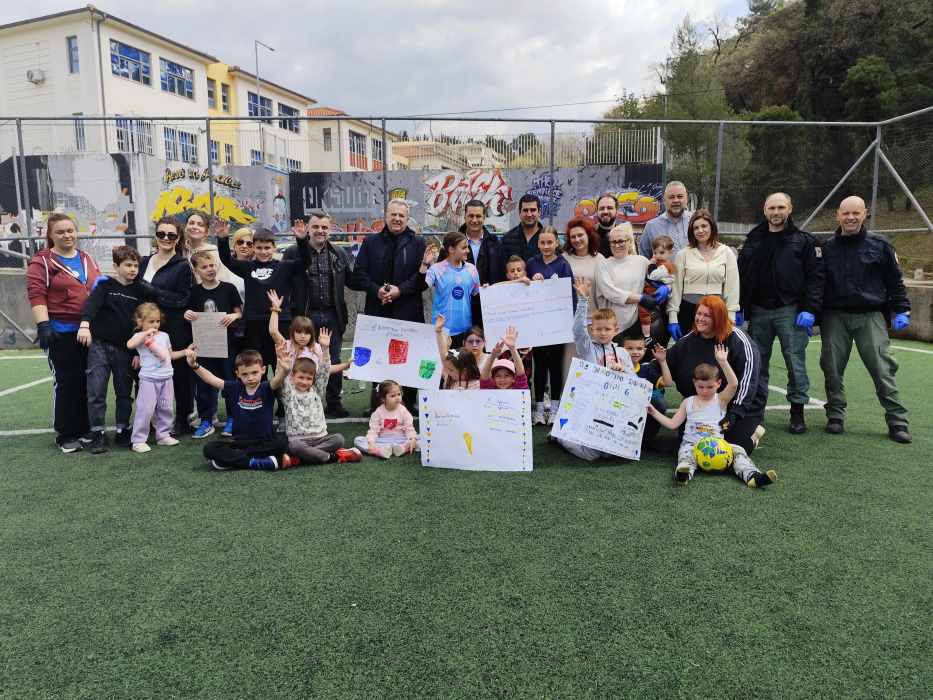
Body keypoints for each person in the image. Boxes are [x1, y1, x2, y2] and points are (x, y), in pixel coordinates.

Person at [819, 195, 912, 443]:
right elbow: (818, 284)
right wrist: (814, 314)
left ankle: (897, 421)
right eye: (845, 213)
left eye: (855, 213)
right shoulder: (826, 248)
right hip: (835, 316)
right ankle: (835, 415)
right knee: (831, 368)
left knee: (882, 368)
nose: (850, 218)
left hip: (870, 315)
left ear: (865, 214)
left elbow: (895, 281)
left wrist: (902, 309)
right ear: (837, 215)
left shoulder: (880, 245)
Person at [79, 245, 181, 452]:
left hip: (125, 350)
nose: (133, 269)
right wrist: (84, 325)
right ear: (116, 266)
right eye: (128, 265)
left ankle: (122, 430)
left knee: (124, 392)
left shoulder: (140, 290)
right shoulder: (105, 286)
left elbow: (143, 323)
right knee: (96, 391)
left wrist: (137, 353)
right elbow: (91, 306)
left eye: (135, 265)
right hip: (100, 346)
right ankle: (97, 433)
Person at [738, 192, 824, 434]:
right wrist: (740, 306)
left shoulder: (804, 241)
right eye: (772, 208)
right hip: (758, 311)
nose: (776, 212)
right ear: (765, 211)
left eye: (781, 207)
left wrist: (810, 309)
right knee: (757, 363)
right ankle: (756, 411)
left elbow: (816, 279)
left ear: (790, 209)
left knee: (795, 362)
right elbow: (742, 275)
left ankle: (797, 412)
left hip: (791, 310)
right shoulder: (754, 239)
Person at [647, 345, 777, 488]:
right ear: (694, 383)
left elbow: (734, 384)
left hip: (719, 448)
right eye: (700, 387)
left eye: (710, 387)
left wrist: (723, 362)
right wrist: (654, 412)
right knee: (685, 454)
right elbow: (672, 424)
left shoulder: (720, 400)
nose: (705, 391)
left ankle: (753, 476)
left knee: (738, 451)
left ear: (718, 383)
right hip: (693, 446)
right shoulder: (688, 402)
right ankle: (684, 474)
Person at [27, 213, 102, 453]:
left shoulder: (86, 258)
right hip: (61, 332)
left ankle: (84, 427)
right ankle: (66, 434)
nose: (67, 235)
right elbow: (36, 295)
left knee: (87, 382)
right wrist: (43, 325)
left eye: (70, 230)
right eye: (60, 232)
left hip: (89, 331)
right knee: (67, 382)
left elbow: (98, 288)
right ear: (50, 235)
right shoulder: (42, 261)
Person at [352, 198, 433, 411]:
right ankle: (377, 403)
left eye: (401, 215)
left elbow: (422, 279)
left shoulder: (418, 243)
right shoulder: (370, 242)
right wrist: (376, 289)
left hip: (408, 311)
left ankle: (409, 402)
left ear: (407, 218)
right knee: (377, 358)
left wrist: (400, 291)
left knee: (409, 358)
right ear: (386, 216)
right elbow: (359, 273)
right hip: (377, 309)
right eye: (393, 214)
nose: (397, 219)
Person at [665, 296, 767, 453]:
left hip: (741, 407)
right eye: (699, 313)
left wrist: (734, 415)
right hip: (704, 403)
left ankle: (754, 433)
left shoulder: (739, 340)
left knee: (732, 447)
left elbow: (749, 382)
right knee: (692, 444)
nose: (700, 319)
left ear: (719, 318)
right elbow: (663, 362)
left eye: (707, 315)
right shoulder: (688, 340)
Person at [284, 210, 358, 418]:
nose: (320, 231)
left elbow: (353, 280)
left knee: (332, 359)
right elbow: (284, 281)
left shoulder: (338, 253)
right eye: (315, 226)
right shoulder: (293, 252)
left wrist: (377, 287)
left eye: (324, 227)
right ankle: (299, 401)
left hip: (333, 315)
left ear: (330, 230)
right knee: (300, 360)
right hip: (305, 316)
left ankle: (334, 402)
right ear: (308, 229)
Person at [216, 224, 310, 384]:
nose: (263, 251)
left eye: (267, 248)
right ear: (253, 248)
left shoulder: (285, 266)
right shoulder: (247, 267)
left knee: (282, 365)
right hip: (254, 324)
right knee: (257, 366)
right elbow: (227, 260)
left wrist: (302, 240)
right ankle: (260, 398)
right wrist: (222, 239)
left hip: (281, 323)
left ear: (274, 248)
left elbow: (305, 262)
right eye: (259, 248)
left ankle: (282, 400)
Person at [190, 348, 288, 471]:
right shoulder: (234, 388)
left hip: (264, 441)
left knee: (283, 444)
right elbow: (211, 379)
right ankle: (255, 462)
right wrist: (195, 365)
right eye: (245, 374)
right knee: (209, 448)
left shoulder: (267, 387)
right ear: (237, 374)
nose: (250, 378)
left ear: (263, 370)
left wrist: (285, 370)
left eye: (254, 372)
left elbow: (278, 380)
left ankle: (230, 460)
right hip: (240, 443)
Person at [139, 217, 194, 436]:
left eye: (171, 235)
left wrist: (152, 291)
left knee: (179, 375)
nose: (166, 238)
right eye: (161, 234)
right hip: (146, 328)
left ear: (178, 238)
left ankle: (182, 419)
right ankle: (150, 420)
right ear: (156, 235)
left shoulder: (182, 266)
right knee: (145, 373)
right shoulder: (144, 261)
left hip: (174, 328)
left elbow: (182, 300)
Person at [272, 332, 361, 466]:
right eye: (301, 377)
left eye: (309, 378)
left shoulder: (317, 391)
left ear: (313, 379)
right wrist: (281, 364)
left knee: (339, 439)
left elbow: (324, 370)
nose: (304, 381)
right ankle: (332, 457)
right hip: (299, 440)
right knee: (294, 447)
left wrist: (325, 349)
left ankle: (301, 458)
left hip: (321, 438)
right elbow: (281, 378)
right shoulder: (289, 394)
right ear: (293, 377)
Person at [184, 251, 243, 439]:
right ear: (196, 271)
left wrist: (234, 316)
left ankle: (233, 418)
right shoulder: (194, 292)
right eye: (204, 267)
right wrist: (187, 314)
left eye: (212, 265)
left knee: (230, 382)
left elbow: (240, 312)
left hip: (227, 345)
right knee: (204, 385)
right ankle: (206, 420)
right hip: (204, 346)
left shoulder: (228, 288)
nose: (210, 269)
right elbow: (190, 314)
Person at [526, 226, 576, 424]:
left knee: (555, 367)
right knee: (539, 367)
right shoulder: (532, 263)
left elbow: (570, 295)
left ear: (557, 243)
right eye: (542, 242)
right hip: (537, 326)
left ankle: (555, 408)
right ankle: (538, 408)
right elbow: (521, 288)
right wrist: (531, 281)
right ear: (538, 244)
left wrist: (569, 323)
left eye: (550, 242)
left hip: (558, 326)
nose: (546, 246)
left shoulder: (563, 265)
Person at [668, 209, 739, 341]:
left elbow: (733, 287)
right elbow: (676, 288)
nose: (700, 231)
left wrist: (731, 315)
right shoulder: (683, 254)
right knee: (689, 351)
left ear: (712, 227)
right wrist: (673, 318)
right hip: (689, 311)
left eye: (704, 226)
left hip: (716, 312)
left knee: (715, 351)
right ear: (691, 231)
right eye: (696, 228)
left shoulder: (726, 252)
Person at [127, 303, 188, 453]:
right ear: (140, 321)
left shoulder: (164, 336)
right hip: (148, 379)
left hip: (167, 378)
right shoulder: (139, 337)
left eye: (157, 321)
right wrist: (144, 334)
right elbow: (130, 345)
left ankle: (163, 435)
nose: (155, 324)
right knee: (145, 410)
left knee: (166, 408)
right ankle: (138, 440)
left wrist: (185, 351)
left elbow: (170, 355)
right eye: (151, 321)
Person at [593, 223, 658, 337]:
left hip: (635, 322)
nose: (617, 245)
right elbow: (610, 293)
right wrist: (641, 298)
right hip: (611, 326)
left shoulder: (641, 261)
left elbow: (657, 276)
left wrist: (665, 287)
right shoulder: (603, 264)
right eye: (613, 242)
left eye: (621, 241)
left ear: (629, 241)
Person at [427, 231, 480, 345]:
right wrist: (424, 264)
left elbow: (477, 294)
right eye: (464, 248)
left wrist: (486, 290)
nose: (468, 251)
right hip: (442, 330)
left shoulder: (472, 269)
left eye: (467, 247)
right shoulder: (436, 269)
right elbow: (421, 287)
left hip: (465, 331)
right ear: (451, 249)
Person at [620, 331, 673, 446]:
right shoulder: (617, 368)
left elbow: (668, 383)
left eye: (639, 348)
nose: (635, 352)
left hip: (639, 408)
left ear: (644, 350)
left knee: (659, 403)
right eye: (630, 348)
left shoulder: (647, 368)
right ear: (621, 350)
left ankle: (647, 439)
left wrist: (662, 361)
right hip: (621, 407)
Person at [459, 198, 505, 325]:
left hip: (489, 308)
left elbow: (503, 274)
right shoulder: (452, 242)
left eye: (478, 216)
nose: (474, 220)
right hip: (460, 307)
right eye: (471, 216)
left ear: (484, 217)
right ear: (465, 216)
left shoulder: (495, 243)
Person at [354, 379, 419, 459]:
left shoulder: (403, 410)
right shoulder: (378, 412)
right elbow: (373, 431)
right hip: (383, 441)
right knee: (358, 440)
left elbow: (409, 428)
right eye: (393, 396)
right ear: (383, 399)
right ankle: (379, 451)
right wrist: (371, 443)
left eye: (399, 394)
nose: (397, 398)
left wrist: (412, 438)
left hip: (401, 439)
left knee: (420, 438)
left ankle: (403, 448)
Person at [638, 181, 693, 257]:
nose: (676, 200)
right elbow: (644, 258)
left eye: (680, 196)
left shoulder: (695, 222)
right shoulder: (651, 227)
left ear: (686, 199)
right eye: (671, 197)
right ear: (664, 200)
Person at [640, 234, 676, 341]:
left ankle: (647, 335)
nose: (657, 256)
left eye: (661, 253)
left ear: (670, 252)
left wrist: (651, 264)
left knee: (643, 309)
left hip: (658, 292)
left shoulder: (666, 265)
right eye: (655, 253)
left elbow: (652, 276)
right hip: (657, 289)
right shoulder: (661, 264)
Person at [434, 314, 481, 390]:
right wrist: (438, 332)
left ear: (464, 371)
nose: (448, 371)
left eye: (451, 370)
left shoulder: (476, 384)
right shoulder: (449, 378)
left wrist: (464, 395)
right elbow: (443, 356)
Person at [501, 194, 544, 264]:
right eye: (525, 210)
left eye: (533, 210)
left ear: (539, 212)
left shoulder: (548, 239)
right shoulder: (507, 239)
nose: (529, 214)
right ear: (519, 213)